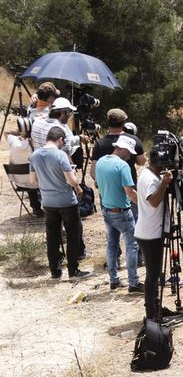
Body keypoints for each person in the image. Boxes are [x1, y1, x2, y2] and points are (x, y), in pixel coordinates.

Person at [30, 125, 90, 279]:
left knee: (52, 237)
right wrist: (77, 184)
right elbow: (71, 180)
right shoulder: (60, 155)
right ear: (60, 139)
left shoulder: (34, 155)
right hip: (66, 201)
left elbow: (33, 181)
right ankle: (73, 270)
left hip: (48, 202)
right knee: (72, 235)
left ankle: (55, 271)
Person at [95, 134, 141, 292]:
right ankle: (133, 282)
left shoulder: (101, 162)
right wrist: (144, 205)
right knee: (132, 246)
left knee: (112, 245)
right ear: (122, 149)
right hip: (122, 211)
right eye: (128, 152)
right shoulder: (122, 166)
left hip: (106, 209)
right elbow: (130, 192)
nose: (130, 155)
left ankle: (114, 280)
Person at [134, 149, 175, 320]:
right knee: (153, 275)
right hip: (150, 234)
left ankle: (156, 306)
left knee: (155, 273)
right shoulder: (150, 178)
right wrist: (164, 183)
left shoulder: (149, 174)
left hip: (150, 231)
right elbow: (154, 201)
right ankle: (151, 312)